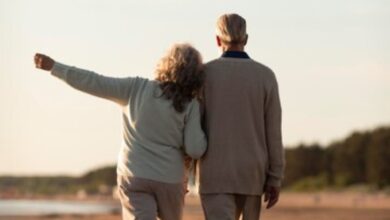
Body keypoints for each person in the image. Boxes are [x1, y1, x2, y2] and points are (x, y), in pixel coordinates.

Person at [34, 43, 207, 220]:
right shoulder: (191, 103)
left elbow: (94, 82)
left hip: (134, 174)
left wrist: (55, 67)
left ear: (166, 63)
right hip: (170, 179)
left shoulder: (135, 88)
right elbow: (194, 148)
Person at [199, 13, 285, 220]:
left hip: (214, 173)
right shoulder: (265, 76)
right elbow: (273, 132)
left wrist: (182, 170)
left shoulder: (203, 74)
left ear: (217, 40)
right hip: (253, 174)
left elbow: (193, 127)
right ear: (246, 39)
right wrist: (275, 177)